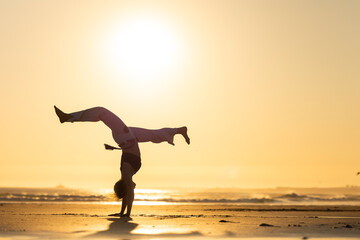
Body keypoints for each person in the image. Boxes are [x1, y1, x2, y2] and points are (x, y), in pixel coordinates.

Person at [54, 106, 189, 217]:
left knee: (151, 134)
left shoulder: (125, 174)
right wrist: (127, 214)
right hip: (127, 142)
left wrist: (121, 213)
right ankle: (68, 118)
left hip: (128, 145)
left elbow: (127, 191)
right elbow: (129, 191)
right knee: (102, 113)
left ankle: (178, 130)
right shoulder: (125, 174)